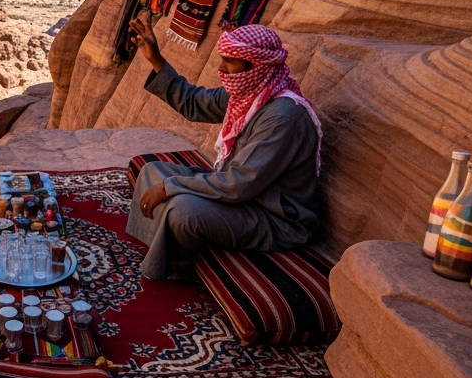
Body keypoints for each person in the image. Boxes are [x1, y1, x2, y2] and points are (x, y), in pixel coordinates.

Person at [124, 17, 323, 281]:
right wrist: (155, 59)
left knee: (182, 210)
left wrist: (171, 187)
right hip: (243, 196)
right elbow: (194, 102)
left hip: (273, 218)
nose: (222, 69)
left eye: (229, 62)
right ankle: (163, 248)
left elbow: (238, 184)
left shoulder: (283, 116)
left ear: (253, 66)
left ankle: (174, 263)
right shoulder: (249, 94)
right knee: (152, 171)